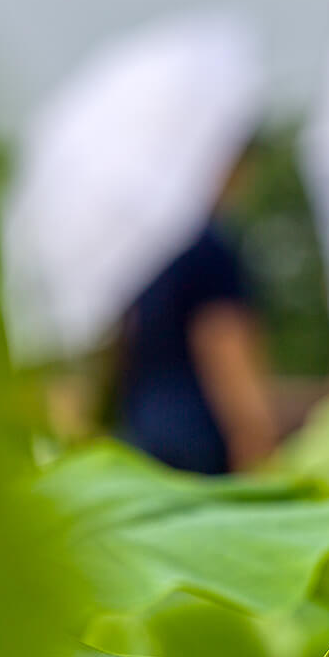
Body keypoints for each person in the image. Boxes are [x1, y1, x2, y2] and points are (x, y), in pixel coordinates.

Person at [113, 155, 281, 474]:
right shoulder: (207, 246)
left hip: (143, 441)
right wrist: (257, 440)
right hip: (203, 448)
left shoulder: (141, 254)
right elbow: (223, 344)